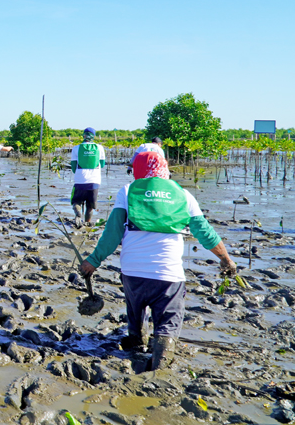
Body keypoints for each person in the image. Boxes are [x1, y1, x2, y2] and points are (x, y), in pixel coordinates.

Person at [80, 151, 236, 370]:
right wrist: (226, 259)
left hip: (132, 273)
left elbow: (112, 233)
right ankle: (159, 368)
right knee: (167, 324)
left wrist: (92, 261)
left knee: (135, 311)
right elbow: (205, 233)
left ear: (137, 171)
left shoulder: (128, 190)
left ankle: (136, 345)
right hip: (168, 275)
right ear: (166, 170)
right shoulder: (184, 195)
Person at [70, 127, 106, 228]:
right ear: (94, 137)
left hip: (80, 180)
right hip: (94, 181)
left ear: (84, 135)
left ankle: (78, 213)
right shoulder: (100, 148)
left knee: (76, 201)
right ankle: (86, 224)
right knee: (90, 206)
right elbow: (102, 164)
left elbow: (73, 167)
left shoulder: (76, 148)